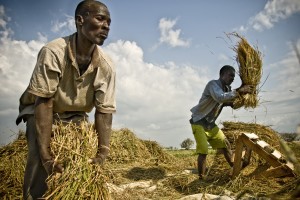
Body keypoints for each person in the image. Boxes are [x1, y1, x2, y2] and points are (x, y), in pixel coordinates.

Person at [16, 1, 115, 199]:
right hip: (40, 108)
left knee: (78, 160)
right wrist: (46, 156)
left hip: (75, 113)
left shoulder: (106, 65)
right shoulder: (53, 52)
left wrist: (102, 153)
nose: (106, 26)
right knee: (38, 157)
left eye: (109, 22)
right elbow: (43, 102)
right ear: (80, 20)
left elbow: (105, 110)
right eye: (100, 19)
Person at [189, 65, 253, 180]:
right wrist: (239, 90)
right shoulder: (212, 85)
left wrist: (245, 98)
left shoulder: (228, 90)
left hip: (210, 123)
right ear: (222, 74)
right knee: (203, 150)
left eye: (234, 76)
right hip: (199, 121)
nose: (232, 78)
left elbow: (231, 103)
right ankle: (201, 178)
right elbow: (220, 98)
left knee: (225, 144)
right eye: (230, 75)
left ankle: (235, 170)